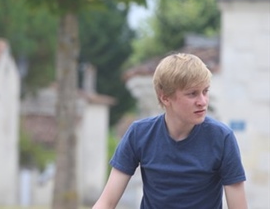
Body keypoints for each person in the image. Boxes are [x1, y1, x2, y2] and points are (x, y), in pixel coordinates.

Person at [92, 53, 248, 209]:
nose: (203, 101)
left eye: (205, 91)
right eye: (192, 94)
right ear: (165, 98)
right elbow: (106, 202)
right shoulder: (139, 134)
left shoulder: (222, 138)